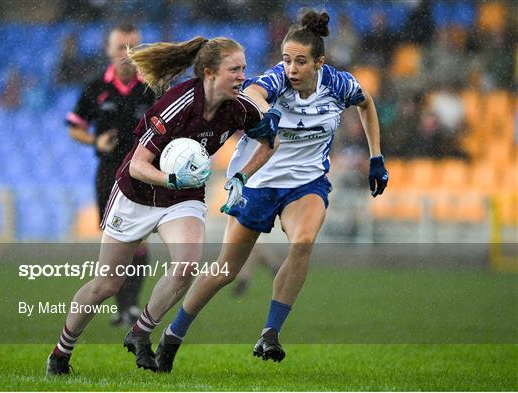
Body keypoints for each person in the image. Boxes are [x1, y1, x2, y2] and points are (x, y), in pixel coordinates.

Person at [153, 9, 389, 371]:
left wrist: (376, 156)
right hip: (260, 181)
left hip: (306, 183)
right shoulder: (278, 79)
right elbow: (254, 92)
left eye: (300, 62)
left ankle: (270, 333)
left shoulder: (338, 84)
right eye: (286, 60)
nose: (291, 69)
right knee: (225, 271)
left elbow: (367, 104)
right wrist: (269, 114)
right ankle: (173, 335)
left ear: (319, 63)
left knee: (303, 241)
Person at [46, 35, 277, 376]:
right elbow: (139, 164)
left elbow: (269, 142)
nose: (243, 76)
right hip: (136, 192)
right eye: (235, 69)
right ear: (210, 73)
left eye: (244, 68)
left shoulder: (238, 107)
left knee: (186, 266)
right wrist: (170, 180)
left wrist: (241, 176)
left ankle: (141, 330)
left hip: (182, 196)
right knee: (106, 285)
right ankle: (60, 354)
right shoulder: (179, 102)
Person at [66, 23, 155, 327]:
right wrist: (95, 141)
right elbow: (74, 126)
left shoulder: (152, 88)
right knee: (115, 240)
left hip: (142, 173)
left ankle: (129, 306)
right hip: (107, 174)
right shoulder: (95, 87)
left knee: (139, 238)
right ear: (108, 49)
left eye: (134, 48)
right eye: (121, 48)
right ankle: (124, 307)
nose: (128, 55)